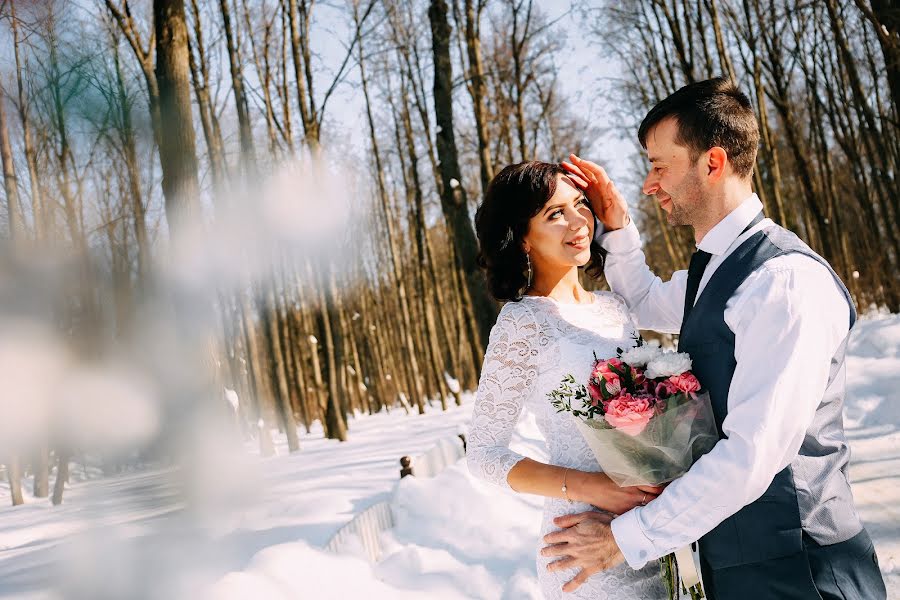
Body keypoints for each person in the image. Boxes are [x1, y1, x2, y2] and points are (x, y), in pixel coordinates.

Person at [542, 77, 887, 599]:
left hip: (802, 573)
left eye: (660, 166)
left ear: (713, 162)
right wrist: (616, 225)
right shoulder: (715, 272)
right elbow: (643, 300)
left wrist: (624, 539)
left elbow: (751, 457)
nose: (649, 184)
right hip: (743, 570)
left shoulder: (782, 283)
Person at [466, 160, 667, 599]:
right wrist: (592, 486)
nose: (577, 222)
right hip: (580, 541)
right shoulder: (521, 324)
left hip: (649, 529)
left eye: (579, 205)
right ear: (520, 237)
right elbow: (482, 454)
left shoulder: (616, 308)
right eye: (554, 214)